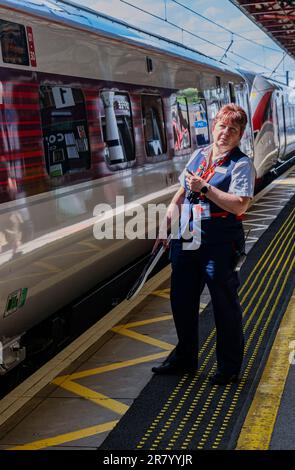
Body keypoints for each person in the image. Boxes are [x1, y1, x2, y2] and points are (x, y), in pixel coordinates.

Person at [152, 103, 255, 385]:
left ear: (240, 135)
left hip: (219, 242)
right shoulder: (198, 156)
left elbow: (239, 205)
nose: (225, 133)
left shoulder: (241, 164)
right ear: (214, 126)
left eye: (232, 130)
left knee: (224, 303)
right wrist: (166, 225)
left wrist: (206, 189)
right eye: (222, 126)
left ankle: (229, 367)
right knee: (181, 301)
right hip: (187, 238)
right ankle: (185, 359)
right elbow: (181, 195)